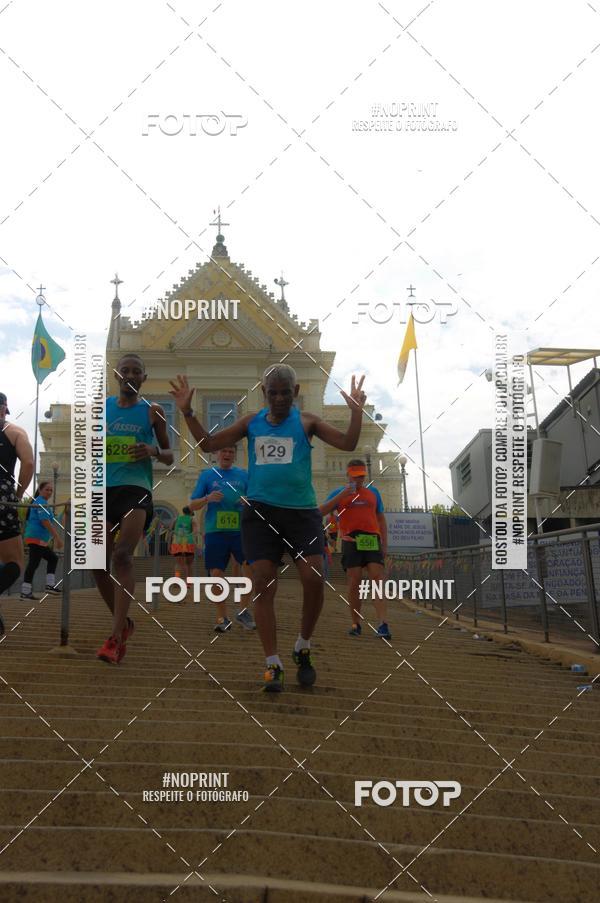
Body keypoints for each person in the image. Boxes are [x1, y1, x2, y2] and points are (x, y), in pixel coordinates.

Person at [170, 366, 366, 692]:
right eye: (272, 392)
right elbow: (207, 444)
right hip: (261, 513)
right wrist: (188, 411)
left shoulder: (307, 422)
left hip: (301, 514)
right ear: (264, 391)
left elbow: (348, 443)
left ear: (296, 391)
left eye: (285, 392)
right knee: (262, 582)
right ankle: (272, 662)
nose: (278, 399)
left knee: (314, 576)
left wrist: (356, 413)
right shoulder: (251, 422)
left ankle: (302, 645)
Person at [93, 354, 173, 664]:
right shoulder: (103, 409)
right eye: (124, 370)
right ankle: (123, 623)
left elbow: (169, 455)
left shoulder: (153, 412)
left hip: (136, 491)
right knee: (96, 564)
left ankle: (114, 639)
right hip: (103, 492)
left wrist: (153, 450)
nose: (129, 375)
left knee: (123, 555)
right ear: (116, 374)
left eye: (135, 371)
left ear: (143, 377)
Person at [320, 459, 391, 639]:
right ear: (348, 474)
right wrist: (341, 495)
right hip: (351, 539)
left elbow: (381, 518)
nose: (358, 480)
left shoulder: (373, 492)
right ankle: (356, 623)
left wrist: (385, 544)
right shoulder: (339, 493)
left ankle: (383, 623)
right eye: (355, 476)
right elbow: (320, 511)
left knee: (378, 578)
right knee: (354, 582)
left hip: (371, 538)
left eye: (361, 477)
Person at [189, 445, 255, 631]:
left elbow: (257, 499)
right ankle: (222, 617)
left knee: (249, 567)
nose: (227, 454)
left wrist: (248, 501)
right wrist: (207, 499)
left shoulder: (244, 475)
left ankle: (243, 611)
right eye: (223, 450)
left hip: (241, 530)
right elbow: (193, 505)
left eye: (231, 451)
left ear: (235, 455)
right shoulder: (207, 475)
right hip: (215, 531)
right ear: (216, 453)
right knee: (216, 573)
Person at [0, 393, 34, 634]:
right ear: (4, 410)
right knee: (14, 562)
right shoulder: (14, 431)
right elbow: (29, 463)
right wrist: (18, 492)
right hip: (2, 497)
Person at [20, 480, 64, 599]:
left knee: (52, 558)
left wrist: (65, 511)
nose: (49, 492)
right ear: (40, 490)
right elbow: (45, 521)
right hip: (36, 537)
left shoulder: (43, 503)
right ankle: (25, 591)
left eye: (51, 490)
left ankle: (48, 586)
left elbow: (52, 520)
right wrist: (57, 538)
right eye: (47, 489)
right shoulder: (40, 502)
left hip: (39, 539)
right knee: (34, 563)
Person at [169, 505, 197, 589]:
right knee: (189, 564)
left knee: (178, 563)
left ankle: (177, 581)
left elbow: (171, 530)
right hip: (188, 542)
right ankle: (189, 583)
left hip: (177, 542)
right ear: (191, 512)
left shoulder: (176, 519)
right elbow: (195, 532)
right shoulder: (192, 519)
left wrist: (170, 542)